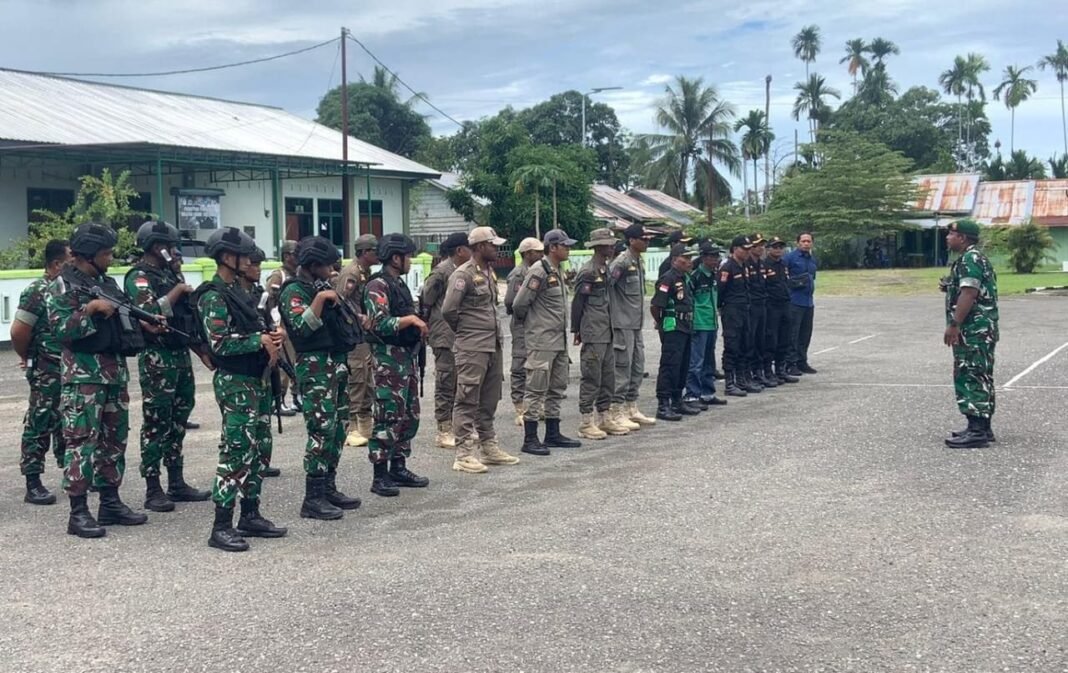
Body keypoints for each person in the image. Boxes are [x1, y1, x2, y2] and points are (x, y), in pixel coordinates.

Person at [49, 223, 149, 538]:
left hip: (114, 374)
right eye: (106, 253)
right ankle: (78, 512)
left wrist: (147, 325)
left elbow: (125, 318)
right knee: (81, 442)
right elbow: (61, 331)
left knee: (114, 440)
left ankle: (110, 502)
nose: (110, 257)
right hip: (83, 378)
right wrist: (89, 310)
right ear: (89, 255)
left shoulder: (106, 282)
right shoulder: (62, 286)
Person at [195, 227, 287, 552]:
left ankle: (250, 514)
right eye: (244, 256)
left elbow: (257, 328)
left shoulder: (242, 293)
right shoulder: (213, 296)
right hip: (235, 383)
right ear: (227, 257)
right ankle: (221, 525)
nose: (250, 261)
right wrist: (257, 340)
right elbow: (218, 344)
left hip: (256, 380)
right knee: (236, 451)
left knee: (259, 448)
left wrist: (273, 336)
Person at [124, 221, 210, 514]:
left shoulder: (170, 273)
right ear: (155, 246)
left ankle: (176, 481)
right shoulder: (139, 276)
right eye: (170, 246)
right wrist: (177, 291)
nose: (174, 251)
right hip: (157, 358)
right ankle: (152, 487)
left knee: (179, 418)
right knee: (156, 422)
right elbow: (148, 313)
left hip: (179, 354)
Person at [278, 236, 363, 518]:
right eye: (327, 266)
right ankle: (312, 498)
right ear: (313, 265)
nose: (332, 270)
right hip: (315, 368)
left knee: (339, 427)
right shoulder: (294, 291)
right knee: (320, 429)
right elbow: (301, 329)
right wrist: (319, 300)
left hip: (335, 364)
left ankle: (328, 486)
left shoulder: (320, 286)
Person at [441, 226, 521, 473]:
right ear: (479, 247)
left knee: (489, 398)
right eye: (492, 244)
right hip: (472, 346)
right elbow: (448, 311)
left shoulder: (489, 272)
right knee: (467, 398)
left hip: (492, 344)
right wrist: (467, 332)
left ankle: (488, 446)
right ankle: (464, 453)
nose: (496, 248)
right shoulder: (462, 275)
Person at [363, 234, 430, 496]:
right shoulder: (377, 285)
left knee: (408, 415)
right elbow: (378, 322)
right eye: (408, 256)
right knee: (388, 415)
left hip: (405, 357)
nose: (411, 261)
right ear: (395, 257)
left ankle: (398, 467)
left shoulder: (397, 284)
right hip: (388, 359)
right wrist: (410, 321)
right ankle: (380, 475)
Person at [512, 228, 583, 455]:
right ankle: (530, 438)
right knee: (535, 389)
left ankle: (552, 433)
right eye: (565, 245)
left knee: (557, 387)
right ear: (553, 247)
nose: (568, 249)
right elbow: (519, 304)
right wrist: (534, 326)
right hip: (542, 340)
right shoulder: (539, 270)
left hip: (558, 340)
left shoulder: (557, 270)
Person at [13, 239, 69, 505]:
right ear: (56, 264)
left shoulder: (69, 288)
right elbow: (18, 332)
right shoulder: (37, 290)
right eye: (70, 260)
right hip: (46, 368)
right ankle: (32, 480)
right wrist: (27, 356)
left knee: (69, 419)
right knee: (40, 419)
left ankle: (72, 473)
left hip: (71, 367)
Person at [942, 219, 999, 449]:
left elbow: (969, 293)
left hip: (973, 329)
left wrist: (954, 324)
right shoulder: (973, 257)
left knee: (971, 373)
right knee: (981, 374)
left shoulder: (970, 258)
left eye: (951, 233)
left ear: (963, 238)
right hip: (981, 329)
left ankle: (977, 431)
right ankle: (982, 426)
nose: (947, 237)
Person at [571, 228, 628, 439]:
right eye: (608, 243)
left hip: (607, 330)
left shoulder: (604, 268)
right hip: (593, 331)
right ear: (598, 246)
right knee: (591, 377)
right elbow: (578, 303)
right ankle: (586, 421)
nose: (612, 246)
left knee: (608, 376)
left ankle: (604, 416)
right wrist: (577, 329)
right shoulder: (588, 271)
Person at [418, 232, 471, 449]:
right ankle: (444, 429)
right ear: (459, 250)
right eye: (469, 247)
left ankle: (458, 426)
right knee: (446, 380)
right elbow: (427, 300)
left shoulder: (466, 270)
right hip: (443, 333)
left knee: (461, 380)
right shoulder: (442, 272)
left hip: (460, 333)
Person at [608, 223, 658, 431]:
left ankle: (631, 406)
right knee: (622, 368)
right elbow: (606, 288)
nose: (647, 242)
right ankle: (615, 411)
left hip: (636, 323)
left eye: (648, 239)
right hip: (622, 323)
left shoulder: (638, 261)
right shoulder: (621, 262)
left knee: (638, 366)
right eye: (643, 239)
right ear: (632, 240)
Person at [240, 246, 283, 478]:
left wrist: (277, 333)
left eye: (258, 264)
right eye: (253, 264)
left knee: (263, 420)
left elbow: (270, 320)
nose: (257, 269)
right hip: (243, 370)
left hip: (264, 366)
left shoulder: (259, 295)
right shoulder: (230, 296)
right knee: (244, 427)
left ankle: (261, 462)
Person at [335, 234, 379, 448]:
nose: (378, 254)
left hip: (363, 335)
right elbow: (340, 300)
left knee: (367, 379)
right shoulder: (351, 272)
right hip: (352, 335)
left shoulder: (366, 273)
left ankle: (364, 423)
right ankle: (350, 427)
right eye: (374, 250)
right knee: (357, 377)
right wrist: (358, 317)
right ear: (364, 252)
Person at [651, 243, 701, 420]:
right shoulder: (668, 279)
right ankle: (663, 404)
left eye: (690, 258)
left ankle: (677, 400)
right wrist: (661, 323)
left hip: (686, 326)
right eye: (685, 258)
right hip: (673, 326)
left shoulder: (684, 278)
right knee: (670, 365)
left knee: (683, 365)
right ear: (674, 260)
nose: (689, 261)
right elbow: (656, 306)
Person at [504, 237, 544, 426]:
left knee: (536, 364)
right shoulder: (518, 274)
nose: (541, 254)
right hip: (521, 324)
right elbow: (511, 302)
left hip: (535, 325)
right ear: (527, 254)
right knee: (520, 365)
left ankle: (534, 404)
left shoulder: (539, 271)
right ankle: (519, 406)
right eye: (537, 251)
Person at [683, 241, 728, 408]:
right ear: (703, 258)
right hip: (699, 323)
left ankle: (707, 393)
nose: (716, 260)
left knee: (709, 361)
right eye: (712, 256)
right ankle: (692, 395)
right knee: (696, 362)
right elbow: (689, 300)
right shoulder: (695, 276)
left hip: (711, 323)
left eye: (717, 256)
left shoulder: (713, 276)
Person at [266, 240, 300, 413]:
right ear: (287, 256)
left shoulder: (298, 274)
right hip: (281, 324)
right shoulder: (278, 275)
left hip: (294, 324)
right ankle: (278, 400)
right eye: (295, 254)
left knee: (295, 362)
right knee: (284, 363)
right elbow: (270, 301)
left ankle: (296, 397)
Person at [718, 235, 752, 398]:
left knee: (745, 344)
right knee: (732, 345)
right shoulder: (727, 267)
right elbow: (721, 291)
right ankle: (729, 382)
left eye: (748, 249)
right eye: (744, 249)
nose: (747, 252)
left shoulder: (743, 266)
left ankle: (741, 379)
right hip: (731, 311)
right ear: (735, 249)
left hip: (744, 309)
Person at [763, 237, 800, 385]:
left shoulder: (783, 264)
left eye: (780, 247)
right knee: (771, 339)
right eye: (775, 247)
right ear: (768, 249)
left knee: (785, 339)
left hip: (785, 304)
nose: (778, 249)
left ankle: (780, 370)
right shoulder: (765, 265)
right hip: (772, 306)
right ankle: (768, 371)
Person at [744, 234, 775, 391]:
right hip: (751, 306)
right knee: (750, 341)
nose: (761, 248)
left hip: (762, 305)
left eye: (762, 245)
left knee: (761, 340)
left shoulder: (761, 264)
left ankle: (759, 372)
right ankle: (748, 374)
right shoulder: (746, 265)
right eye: (757, 245)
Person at [785, 232, 818, 376]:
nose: (806, 243)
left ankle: (802, 361)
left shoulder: (812, 259)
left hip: (808, 302)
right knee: (793, 334)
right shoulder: (790, 258)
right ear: (798, 243)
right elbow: (784, 278)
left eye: (808, 241)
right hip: (794, 301)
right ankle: (790, 363)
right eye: (803, 241)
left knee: (805, 333)